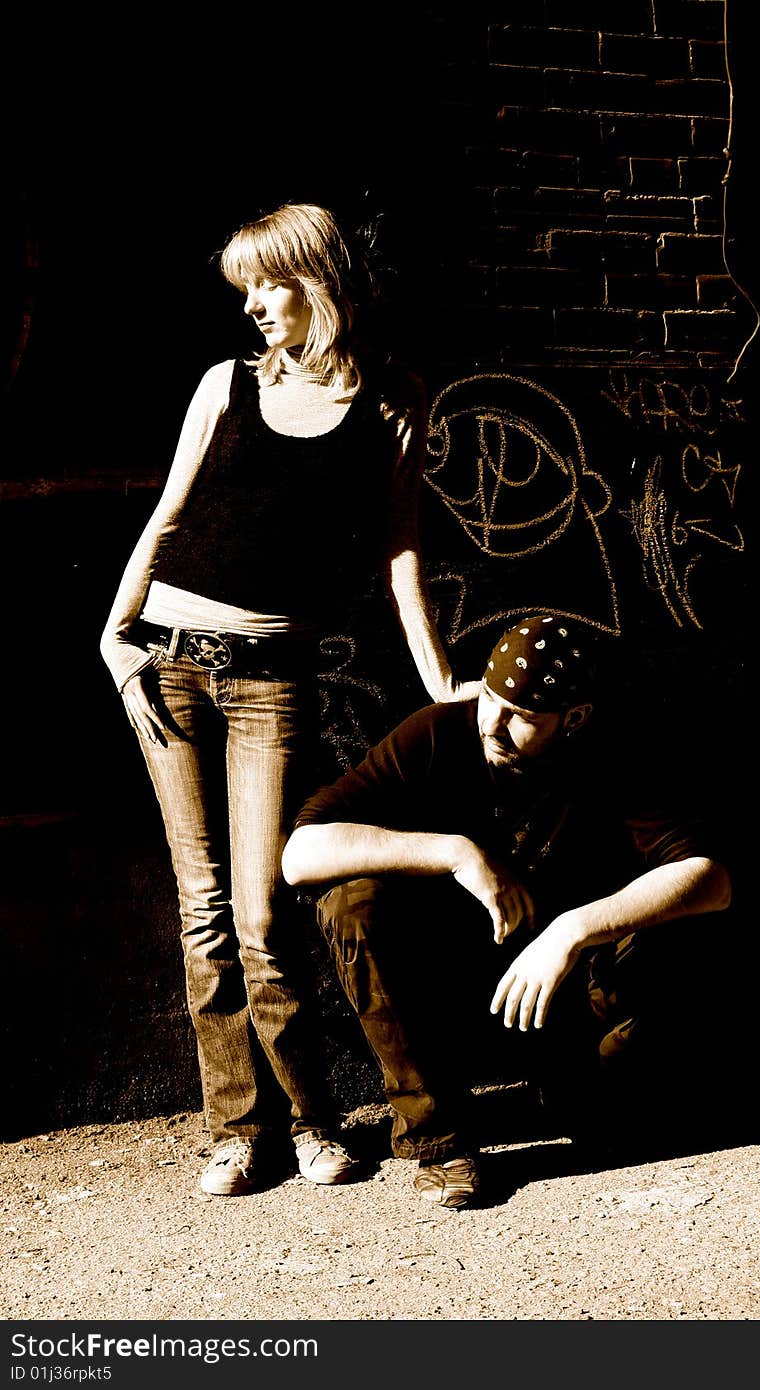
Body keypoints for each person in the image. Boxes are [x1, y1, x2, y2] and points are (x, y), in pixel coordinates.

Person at [100, 201, 474, 1198]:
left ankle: (311, 1118)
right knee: (204, 910)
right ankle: (236, 1129)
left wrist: (443, 685)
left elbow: (403, 556)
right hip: (165, 657)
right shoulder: (223, 385)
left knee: (265, 912)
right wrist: (113, 631)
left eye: (270, 284)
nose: (255, 305)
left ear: (320, 281)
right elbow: (169, 513)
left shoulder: (395, 399)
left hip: (272, 681)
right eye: (245, 289)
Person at [282, 614, 732, 1209]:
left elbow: (711, 879)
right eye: (490, 699)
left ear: (574, 719)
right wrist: (453, 853)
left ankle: (576, 1091)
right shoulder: (441, 732)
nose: (492, 723)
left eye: (521, 715)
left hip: (558, 992)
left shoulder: (614, 754)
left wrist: (574, 931)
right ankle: (440, 1141)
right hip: (450, 986)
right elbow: (301, 855)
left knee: (623, 1124)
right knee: (352, 901)